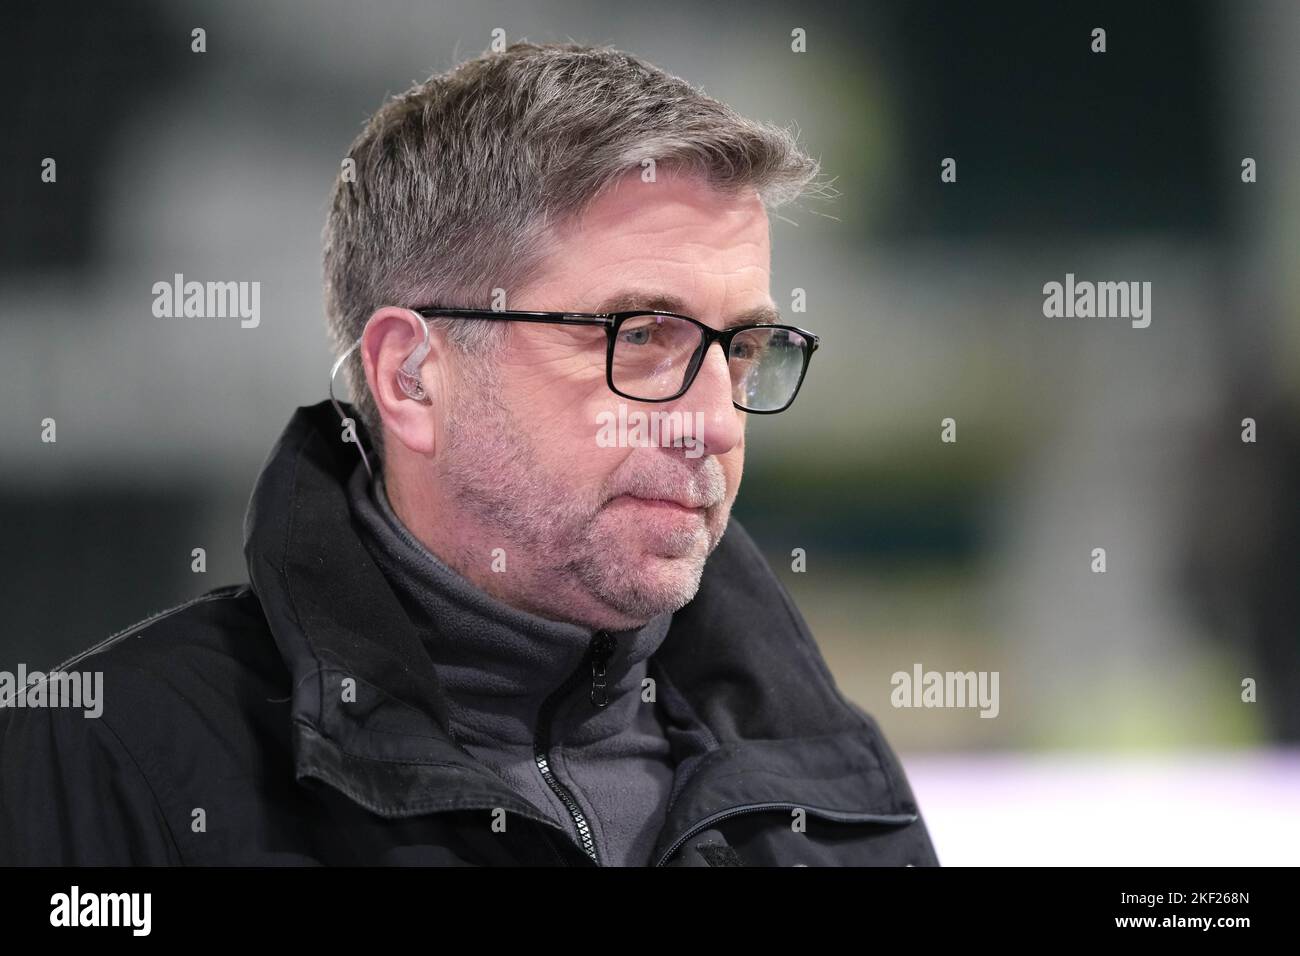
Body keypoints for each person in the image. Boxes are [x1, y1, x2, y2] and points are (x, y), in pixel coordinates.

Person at [0, 40, 938, 867]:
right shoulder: (110, 759)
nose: (716, 422)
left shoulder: (837, 792)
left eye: (738, 350)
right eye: (640, 337)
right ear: (412, 377)